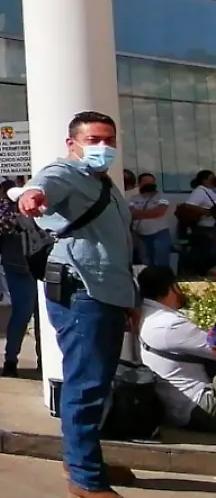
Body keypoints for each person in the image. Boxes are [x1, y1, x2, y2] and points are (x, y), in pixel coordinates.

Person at [17, 110, 137, 497]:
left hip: (107, 292)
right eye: (94, 140)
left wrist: (128, 298)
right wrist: (33, 196)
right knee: (85, 386)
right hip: (84, 292)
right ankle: (86, 481)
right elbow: (44, 185)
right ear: (72, 144)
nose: (103, 148)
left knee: (95, 383)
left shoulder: (105, 185)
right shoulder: (67, 172)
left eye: (109, 141)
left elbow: (115, 248)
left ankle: (83, 460)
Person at [137, 265, 216, 433]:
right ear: (171, 288)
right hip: (200, 406)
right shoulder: (170, 324)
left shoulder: (146, 316)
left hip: (174, 406)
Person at [0, 180, 45, 379]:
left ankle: (44, 359)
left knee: (44, 318)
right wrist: (25, 213)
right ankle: (11, 360)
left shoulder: (43, 209)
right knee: (22, 314)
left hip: (41, 265)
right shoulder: (6, 208)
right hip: (19, 267)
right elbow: (6, 225)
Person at [127, 173, 172, 269]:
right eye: (146, 182)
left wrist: (139, 213)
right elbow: (130, 214)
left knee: (161, 263)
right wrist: (149, 213)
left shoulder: (162, 197)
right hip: (140, 235)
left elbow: (159, 212)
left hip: (159, 234)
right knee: (144, 263)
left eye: (151, 182)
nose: (149, 184)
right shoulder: (133, 198)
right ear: (139, 184)